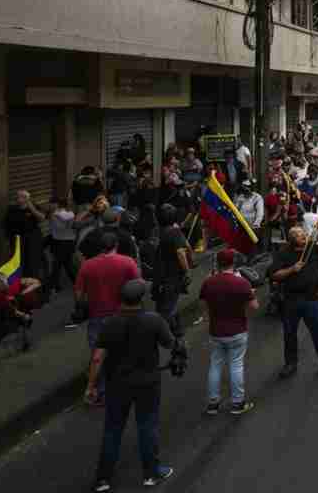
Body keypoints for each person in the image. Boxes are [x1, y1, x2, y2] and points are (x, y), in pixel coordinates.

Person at [87, 279, 176, 492]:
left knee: (112, 430)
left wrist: (90, 386)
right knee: (147, 426)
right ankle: (151, 473)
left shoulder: (110, 323)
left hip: (117, 384)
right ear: (141, 298)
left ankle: (102, 479)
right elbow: (170, 343)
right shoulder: (153, 320)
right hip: (148, 383)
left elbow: (98, 357)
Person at [75, 232, 141, 405]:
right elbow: (138, 286)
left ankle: (102, 391)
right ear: (116, 245)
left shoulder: (87, 266)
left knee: (98, 356)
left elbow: (79, 296)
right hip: (122, 315)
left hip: (97, 316)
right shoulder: (127, 262)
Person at [271, 227, 318, 378]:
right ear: (291, 239)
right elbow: (275, 275)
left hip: (311, 299)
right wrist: (292, 269)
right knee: (290, 333)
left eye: (304, 234)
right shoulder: (283, 253)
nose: (304, 237)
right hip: (291, 300)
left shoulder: (313, 250)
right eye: (299, 235)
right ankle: (290, 363)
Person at [200, 249, 258, 416]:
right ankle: (237, 403)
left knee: (215, 365)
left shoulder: (208, 282)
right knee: (236, 365)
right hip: (237, 330)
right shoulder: (242, 283)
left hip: (216, 331)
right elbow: (254, 306)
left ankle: (212, 403)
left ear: (218, 263)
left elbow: (204, 305)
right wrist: (249, 296)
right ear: (234, 263)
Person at [152, 205, 191, 338]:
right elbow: (181, 252)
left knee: (164, 304)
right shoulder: (174, 233)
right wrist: (186, 270)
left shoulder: (159, 232)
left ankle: (175, 329)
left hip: (159, 275)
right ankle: (170, 334)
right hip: (171, 276)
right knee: (168, 306)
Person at [5, 190, 47, 283]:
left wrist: (31, 207)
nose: (18, 199)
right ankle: (18, 281)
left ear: (27, 199)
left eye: (22, 197)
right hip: (17, 239)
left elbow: (42, 218)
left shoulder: (33, 207)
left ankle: (32, 281)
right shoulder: (12, 209)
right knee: (18, 261)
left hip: (32, 238)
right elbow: (7, 225)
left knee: (32, 261)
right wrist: (8, 240)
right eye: (18, 197)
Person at [46, 199, 78, 296]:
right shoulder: (68, 214)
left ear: (57, 205)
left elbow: (61, 225)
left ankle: (53, 287)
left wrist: (54, 214)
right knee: (66, 264)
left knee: (58, 265)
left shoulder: (63, 214)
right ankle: (77, 283)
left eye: (52, 204)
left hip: (63, 243)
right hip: (62, 242)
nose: (50, 206)